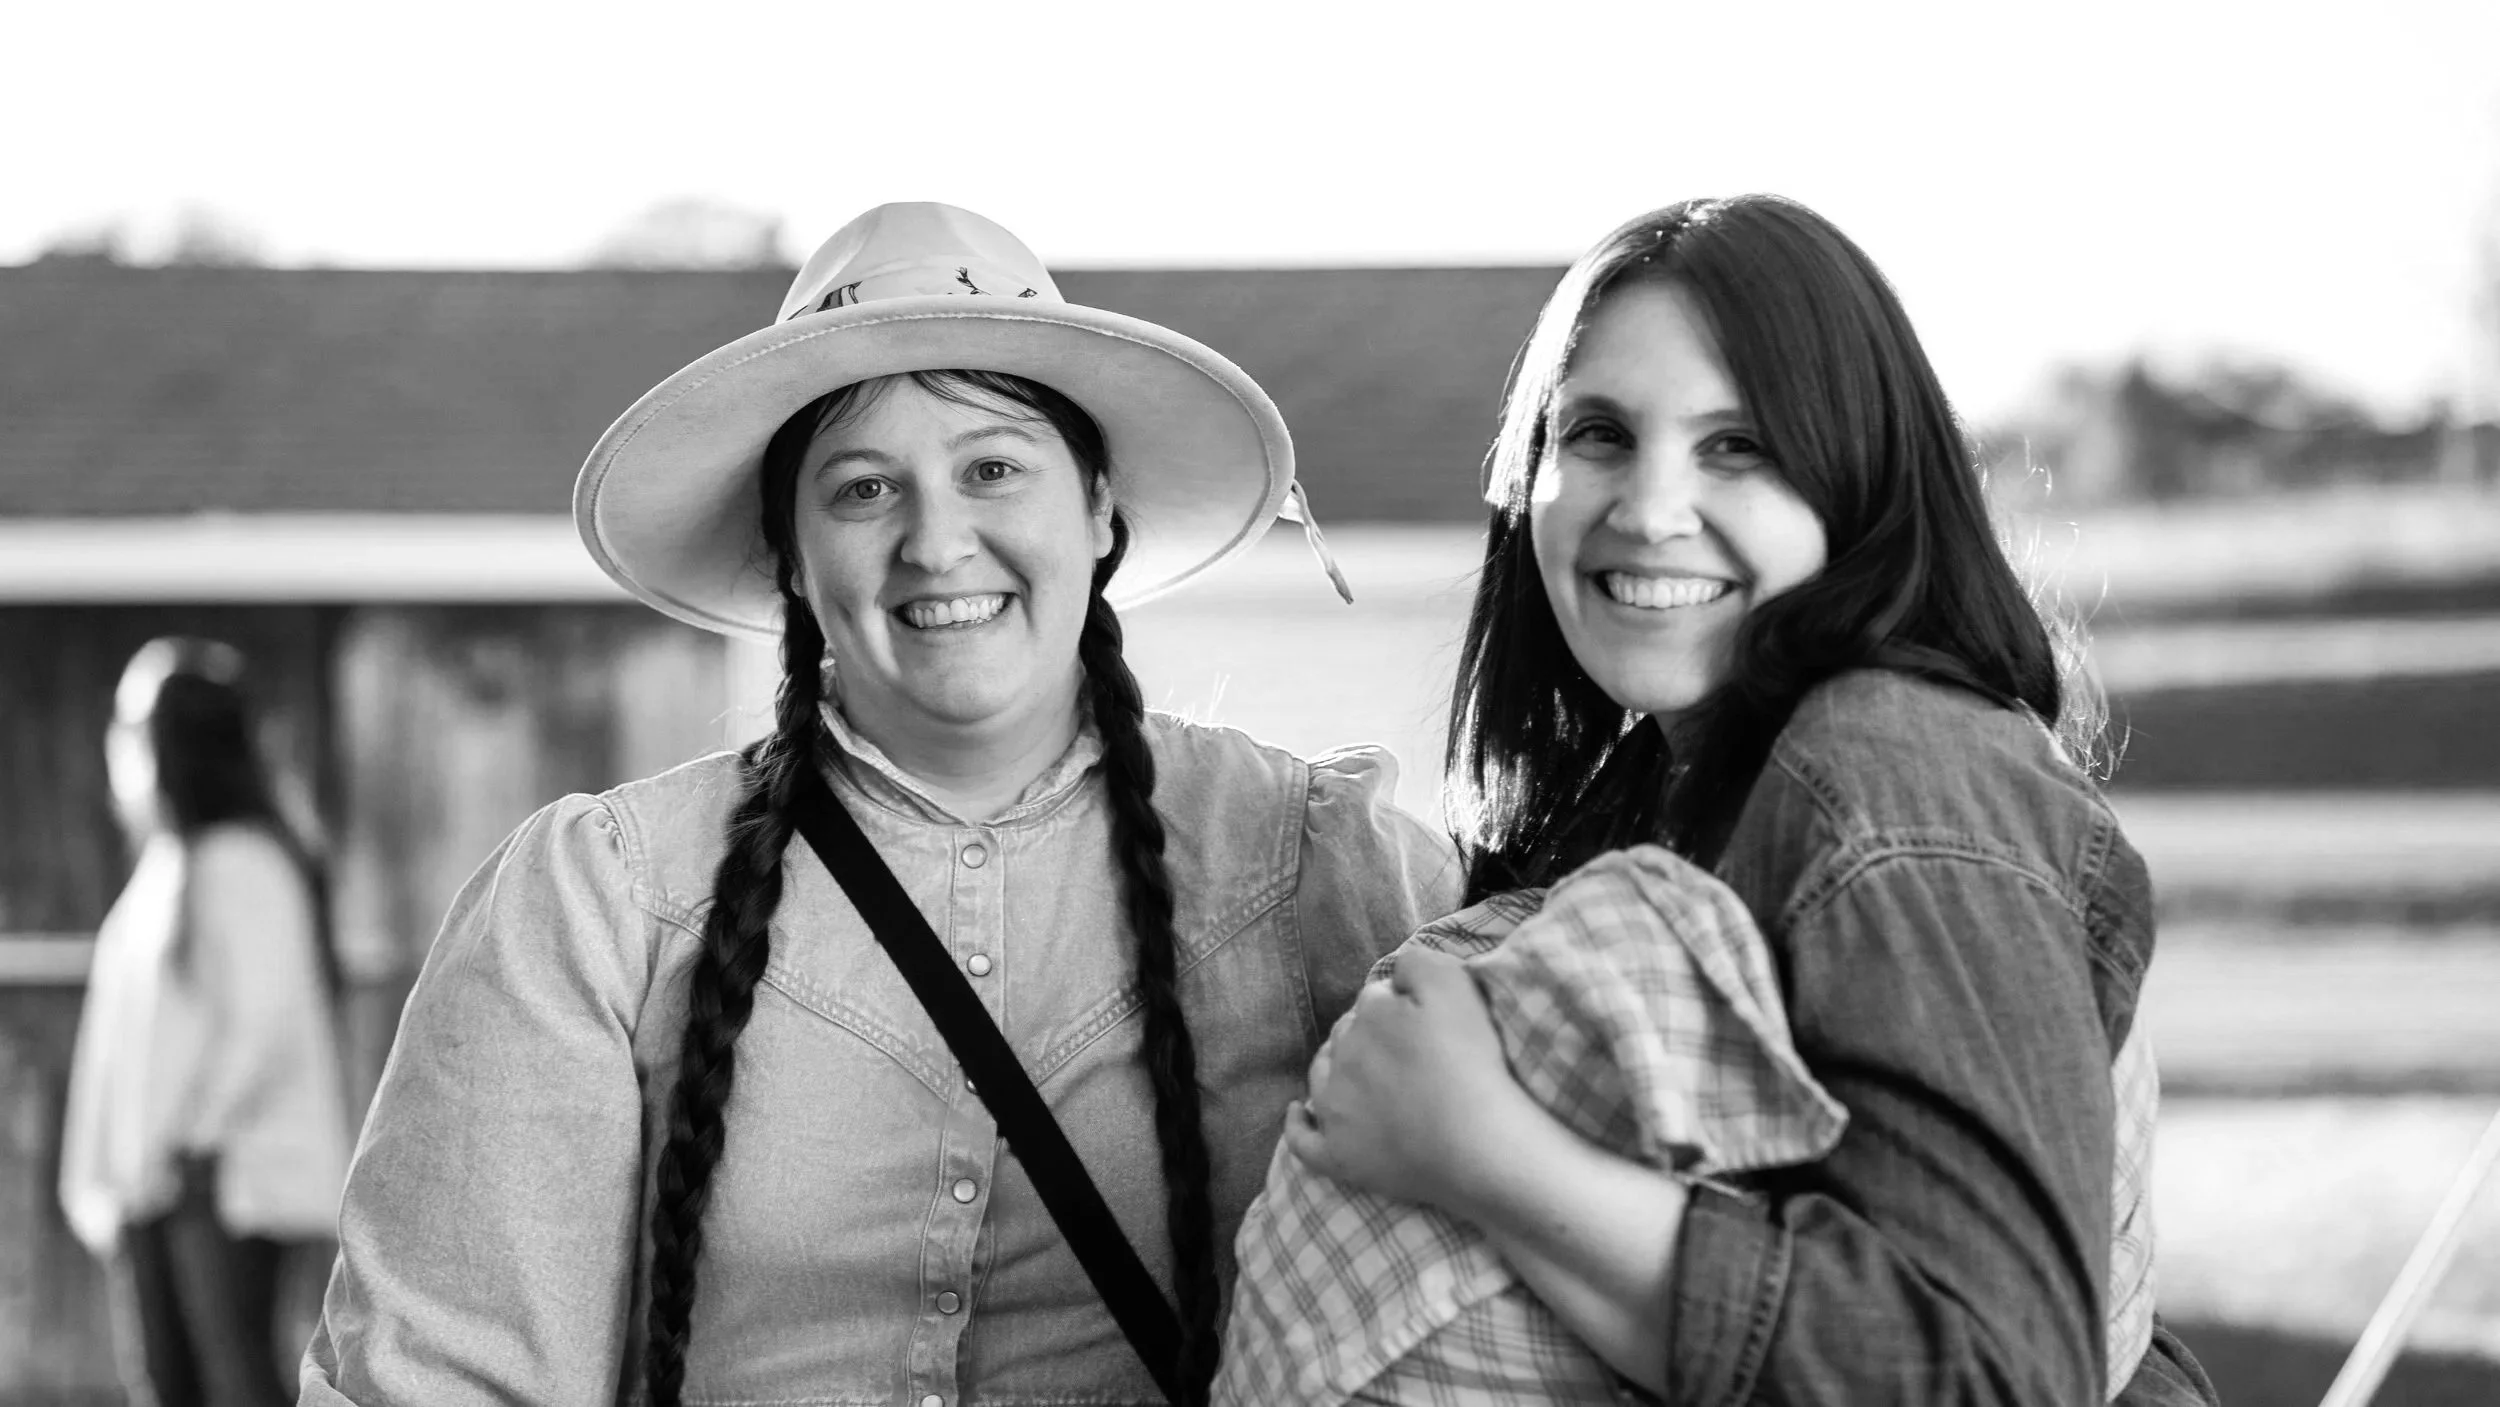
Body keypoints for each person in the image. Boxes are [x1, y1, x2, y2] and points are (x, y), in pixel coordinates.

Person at [299, 202, 1462, 1407]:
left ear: (1100, 509)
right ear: (791, 557)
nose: (935, 541)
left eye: (993, 469)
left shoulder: (1323, 870)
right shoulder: (604, 904)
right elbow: (446, 1376)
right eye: (862, 490)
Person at [1258, 196, 2218, 1404]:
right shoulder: (1650, 791)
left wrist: (1483, 1152)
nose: (1650, 510)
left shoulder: (1896, 766)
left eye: (1738, 447)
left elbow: (1994, 1374)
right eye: (1599, 435)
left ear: (1859, 484)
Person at [62, 636, 353, 1407]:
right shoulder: (166, 866)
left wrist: (184, 1139)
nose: (116, 744)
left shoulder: (244, 863)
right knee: (168, 1384)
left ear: (170, 744)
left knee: (231, 1381)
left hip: (218, 1184)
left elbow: (264, 1023)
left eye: (130, 725)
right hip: (158, 1188)